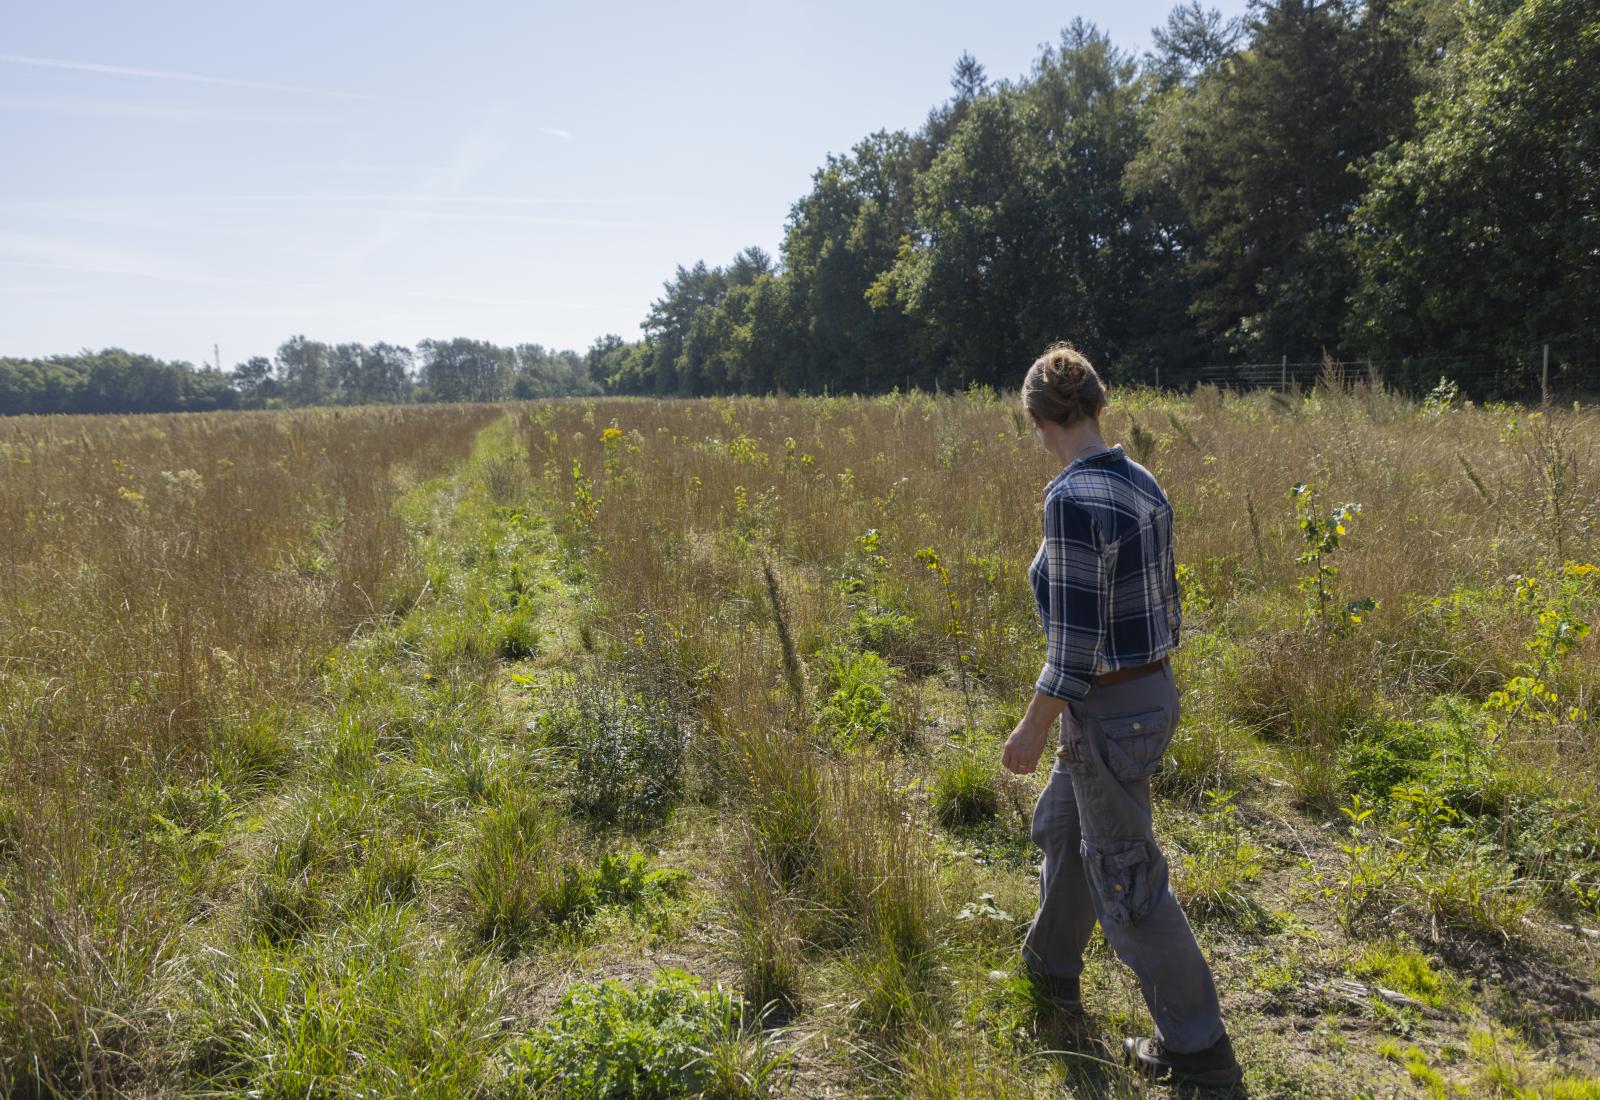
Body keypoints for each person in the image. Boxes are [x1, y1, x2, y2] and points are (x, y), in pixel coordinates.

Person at [1000, 342, 1243, 1090]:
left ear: (1038, 421)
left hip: (1103, 705)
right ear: (1101, 408)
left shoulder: (1070, 499)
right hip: (1146, 694)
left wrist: (1031, 728)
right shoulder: (1142, 480)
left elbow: (1072, 647)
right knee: (1064, 828)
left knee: (1127, 878)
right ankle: (1050, 970)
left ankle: (1199, 1050)